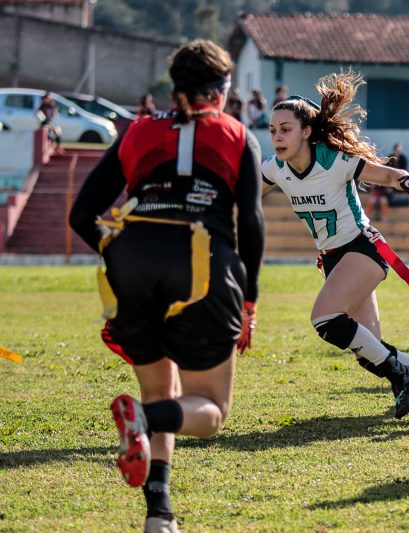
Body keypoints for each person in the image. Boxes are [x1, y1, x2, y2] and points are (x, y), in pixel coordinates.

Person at [69, 39, 264, 532]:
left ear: (174, 86)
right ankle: (143, 419)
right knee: (210, 410)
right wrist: (252, 298)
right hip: (200, 262)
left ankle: (160, 514)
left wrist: (116, 254)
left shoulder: (136, 130)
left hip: (130, 260)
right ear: (222, 89)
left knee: (163, 392)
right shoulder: (237, 133)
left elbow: (80, 214)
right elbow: (253, 224)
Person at [261, 71, 409, 426]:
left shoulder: (333, 160)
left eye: (286, 129)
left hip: (362, 249)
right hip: (333, 259)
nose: (278, 137)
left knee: (324, 319)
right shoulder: (275, 169)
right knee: (369, 352)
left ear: (307, 132)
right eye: (273, 131)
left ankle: (403, 377)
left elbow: (386, 175)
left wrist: (408, 180)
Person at [365, 142, 405, 221]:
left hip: (384, 191)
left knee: (383, 200)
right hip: (376, 192)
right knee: (373, 200)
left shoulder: (402, 159)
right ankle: (366, 219)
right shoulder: (369, 169)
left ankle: (384, 219)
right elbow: (371, 185)